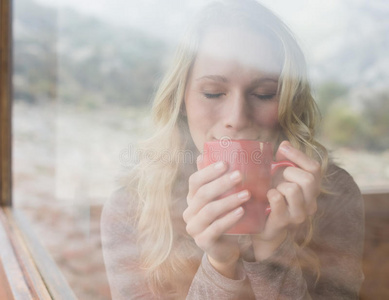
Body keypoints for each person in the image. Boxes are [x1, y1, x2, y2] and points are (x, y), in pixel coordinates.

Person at [101, 0, 365, 299]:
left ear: (288, 103)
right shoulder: (132, 206)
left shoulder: (334, 194)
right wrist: (220, 264)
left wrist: (273, 253)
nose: (237, 119)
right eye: (213, 92)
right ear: (181, 100)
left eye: (264, 93)